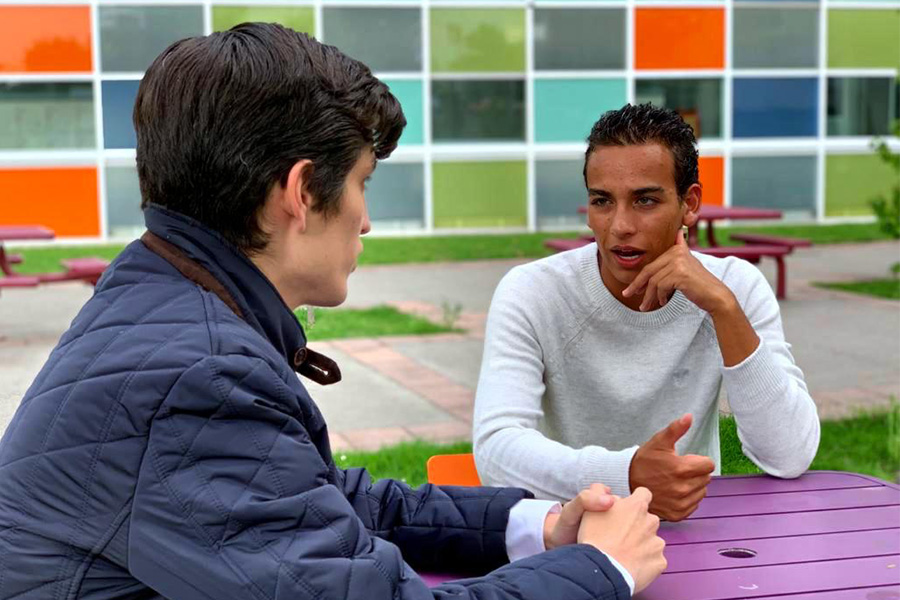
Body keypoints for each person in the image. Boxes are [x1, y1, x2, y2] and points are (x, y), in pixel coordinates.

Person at [0, 25, 667, 600]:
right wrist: (600, 568)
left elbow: (314, 500)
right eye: (361, 183)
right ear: (299, 192)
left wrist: (537, 527)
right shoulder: (197, 378)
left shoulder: (160, 302)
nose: (367, 219)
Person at [473, 103, 820, 521]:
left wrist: (725, 311)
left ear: (689, 204)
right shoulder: (533, 291)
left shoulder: (734, 287)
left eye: (645, 200)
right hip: (566, 534)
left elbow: (789, 455)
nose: (620, 225)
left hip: (687, 534)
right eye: (602, 201)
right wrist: (628, 474)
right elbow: (496, 450)